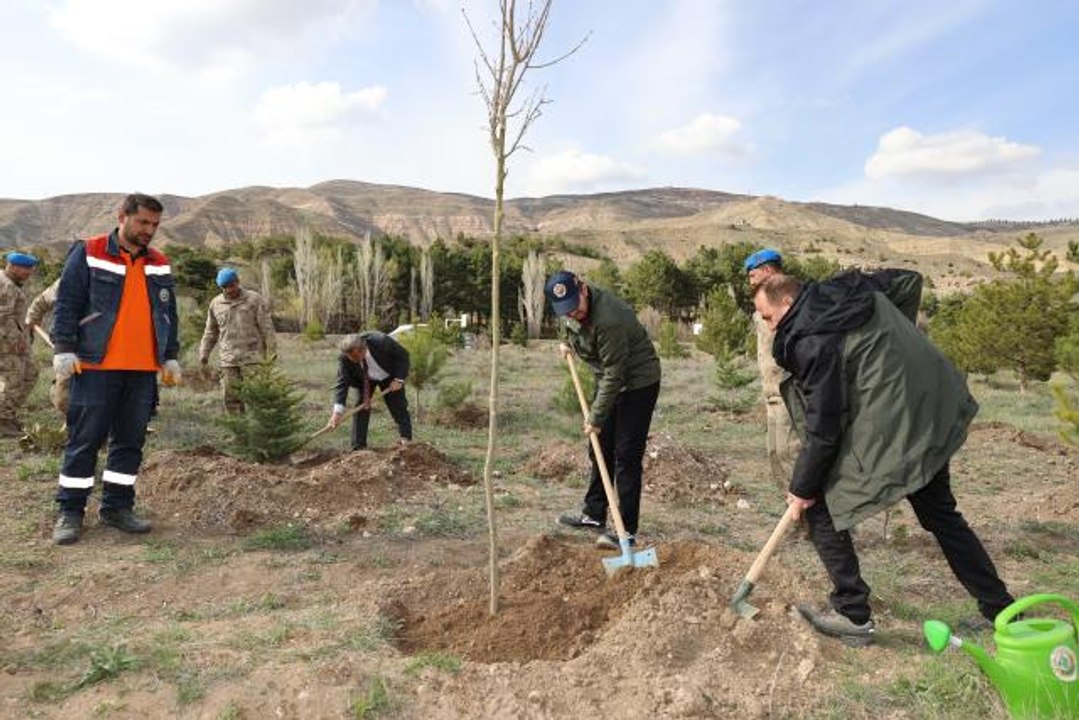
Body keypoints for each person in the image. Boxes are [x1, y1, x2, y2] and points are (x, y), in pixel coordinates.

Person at [753, 270, 1015, 645]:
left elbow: (826, 425)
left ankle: (853, 615)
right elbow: (908, 281)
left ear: (787, 302)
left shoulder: (812, 340)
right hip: (931, 408)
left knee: (819, 506)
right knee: (942, 515)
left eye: (768, 316)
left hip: (901, 431)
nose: (768, 325)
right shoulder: (846, 291)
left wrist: (802, 489)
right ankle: (1004, 612)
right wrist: (891, 353)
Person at [50, 193, 181, 545]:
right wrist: (64, 347)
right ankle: (71, 511)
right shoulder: (90, 251)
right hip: (95, 366)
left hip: (142, 371)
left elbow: (168, 312)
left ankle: (117, 507)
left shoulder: (159, 262)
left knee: (129, 442)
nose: (149, 231)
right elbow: (68, 302)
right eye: (143, 223)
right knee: (84, 441)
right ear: (122, 216)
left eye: (154, 225)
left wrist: (169, 355)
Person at [547, 270, 661, 549]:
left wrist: (596, 416)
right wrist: (566, 342)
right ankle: (594, 513)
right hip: (609, 379)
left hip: (637, 383)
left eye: (575, 306)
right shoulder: (571, 311)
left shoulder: (609, 318)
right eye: (566, 310)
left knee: (626, 455)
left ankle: (626, 529)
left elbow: (614, 374)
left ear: (583, 289)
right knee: (597, 445)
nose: (572, 313)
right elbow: (568, 325)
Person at [744, 248, 800, 488]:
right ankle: (794, 516)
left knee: (792, 457)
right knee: (776, 457)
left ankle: (812, 521)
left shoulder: (791, 303)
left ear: (768, 270)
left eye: (753, 276)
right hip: (772, 395)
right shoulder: (762, 307)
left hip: (790, 394)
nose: (750, 282)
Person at [198, 267, 277, 414]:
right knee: (231, 398)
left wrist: (271, 352)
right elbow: (210, 332)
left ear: (237, 282)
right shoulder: (216, 304)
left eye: (231, 285)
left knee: (257, 396)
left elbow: (267, 328)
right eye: (225, 287)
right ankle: (239, 433)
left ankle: (258, 430)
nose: (229, 289)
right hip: (229, 360)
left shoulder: (254, 299)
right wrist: (204, 353)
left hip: (254, 358)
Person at [328, 332, 412, 450]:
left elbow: (403, 356)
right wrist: (337, 413)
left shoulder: (381, 342)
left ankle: (406, 441)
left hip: (389, 376)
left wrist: (399, 379)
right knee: (362, 408)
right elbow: (342, 383)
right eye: (350, 358)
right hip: (365, 380)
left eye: (356, 358)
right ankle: (358, 447)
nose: (354, 361)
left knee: (399, 407)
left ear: (364, 349)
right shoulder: (345, 358)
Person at [0, 251, 40, 437]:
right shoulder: (6, 285)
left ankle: (8, 414)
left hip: (17, 343)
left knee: (31, 374)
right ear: (13, 267)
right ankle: (3, 421)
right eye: (26, 268)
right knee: (13, 381)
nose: (30, 272)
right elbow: (4, 317)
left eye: (31, 268)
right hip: (8, 345)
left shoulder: (12, 284)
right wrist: (16, 341)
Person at [25, 277, 69, 415]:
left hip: (106, 350)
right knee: (62, 396)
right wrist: (31, 320)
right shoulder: (69, 280)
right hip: (69, 347)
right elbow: (41, 302)